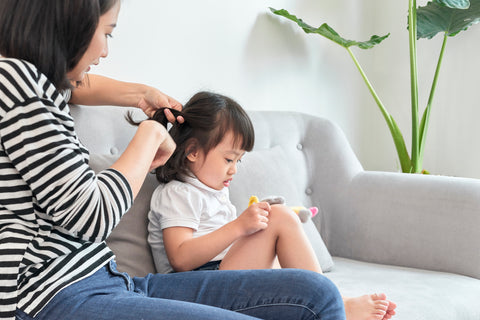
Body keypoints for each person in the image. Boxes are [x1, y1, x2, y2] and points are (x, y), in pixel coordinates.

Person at [0, 1, 347, 320]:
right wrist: (150, 135)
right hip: (50, 295)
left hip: (105, 279)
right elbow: (91, 217)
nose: (105, 51)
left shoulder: (40, 85)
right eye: (106, 33)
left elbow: (76, 84)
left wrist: (142, 94)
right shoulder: (15, 83)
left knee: (318, 294)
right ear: (70, 22)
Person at [147, 91, 397, 320]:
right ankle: (334, 303)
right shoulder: (177, 193)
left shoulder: (213, 191)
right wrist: (238, 227)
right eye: (228, 159)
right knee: (278, 217)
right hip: (195, 288)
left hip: (219, 278)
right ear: (192, 151)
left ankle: (319, 301)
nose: (234, 169)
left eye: (239, 161)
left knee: (275, 221)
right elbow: (180, 258)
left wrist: (250, 228)